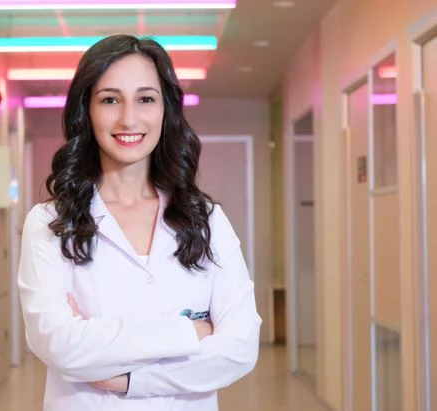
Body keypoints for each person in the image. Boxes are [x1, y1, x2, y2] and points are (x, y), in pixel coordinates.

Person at [17, 34, 261, 411]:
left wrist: (128, 380)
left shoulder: (207, 221)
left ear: (166, 110)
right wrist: (188, 332)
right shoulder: (51, 223)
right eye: (110, 99)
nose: (128, 118)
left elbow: (240, 349)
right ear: (87, 110)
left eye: (145, 99)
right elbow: (58, 344)